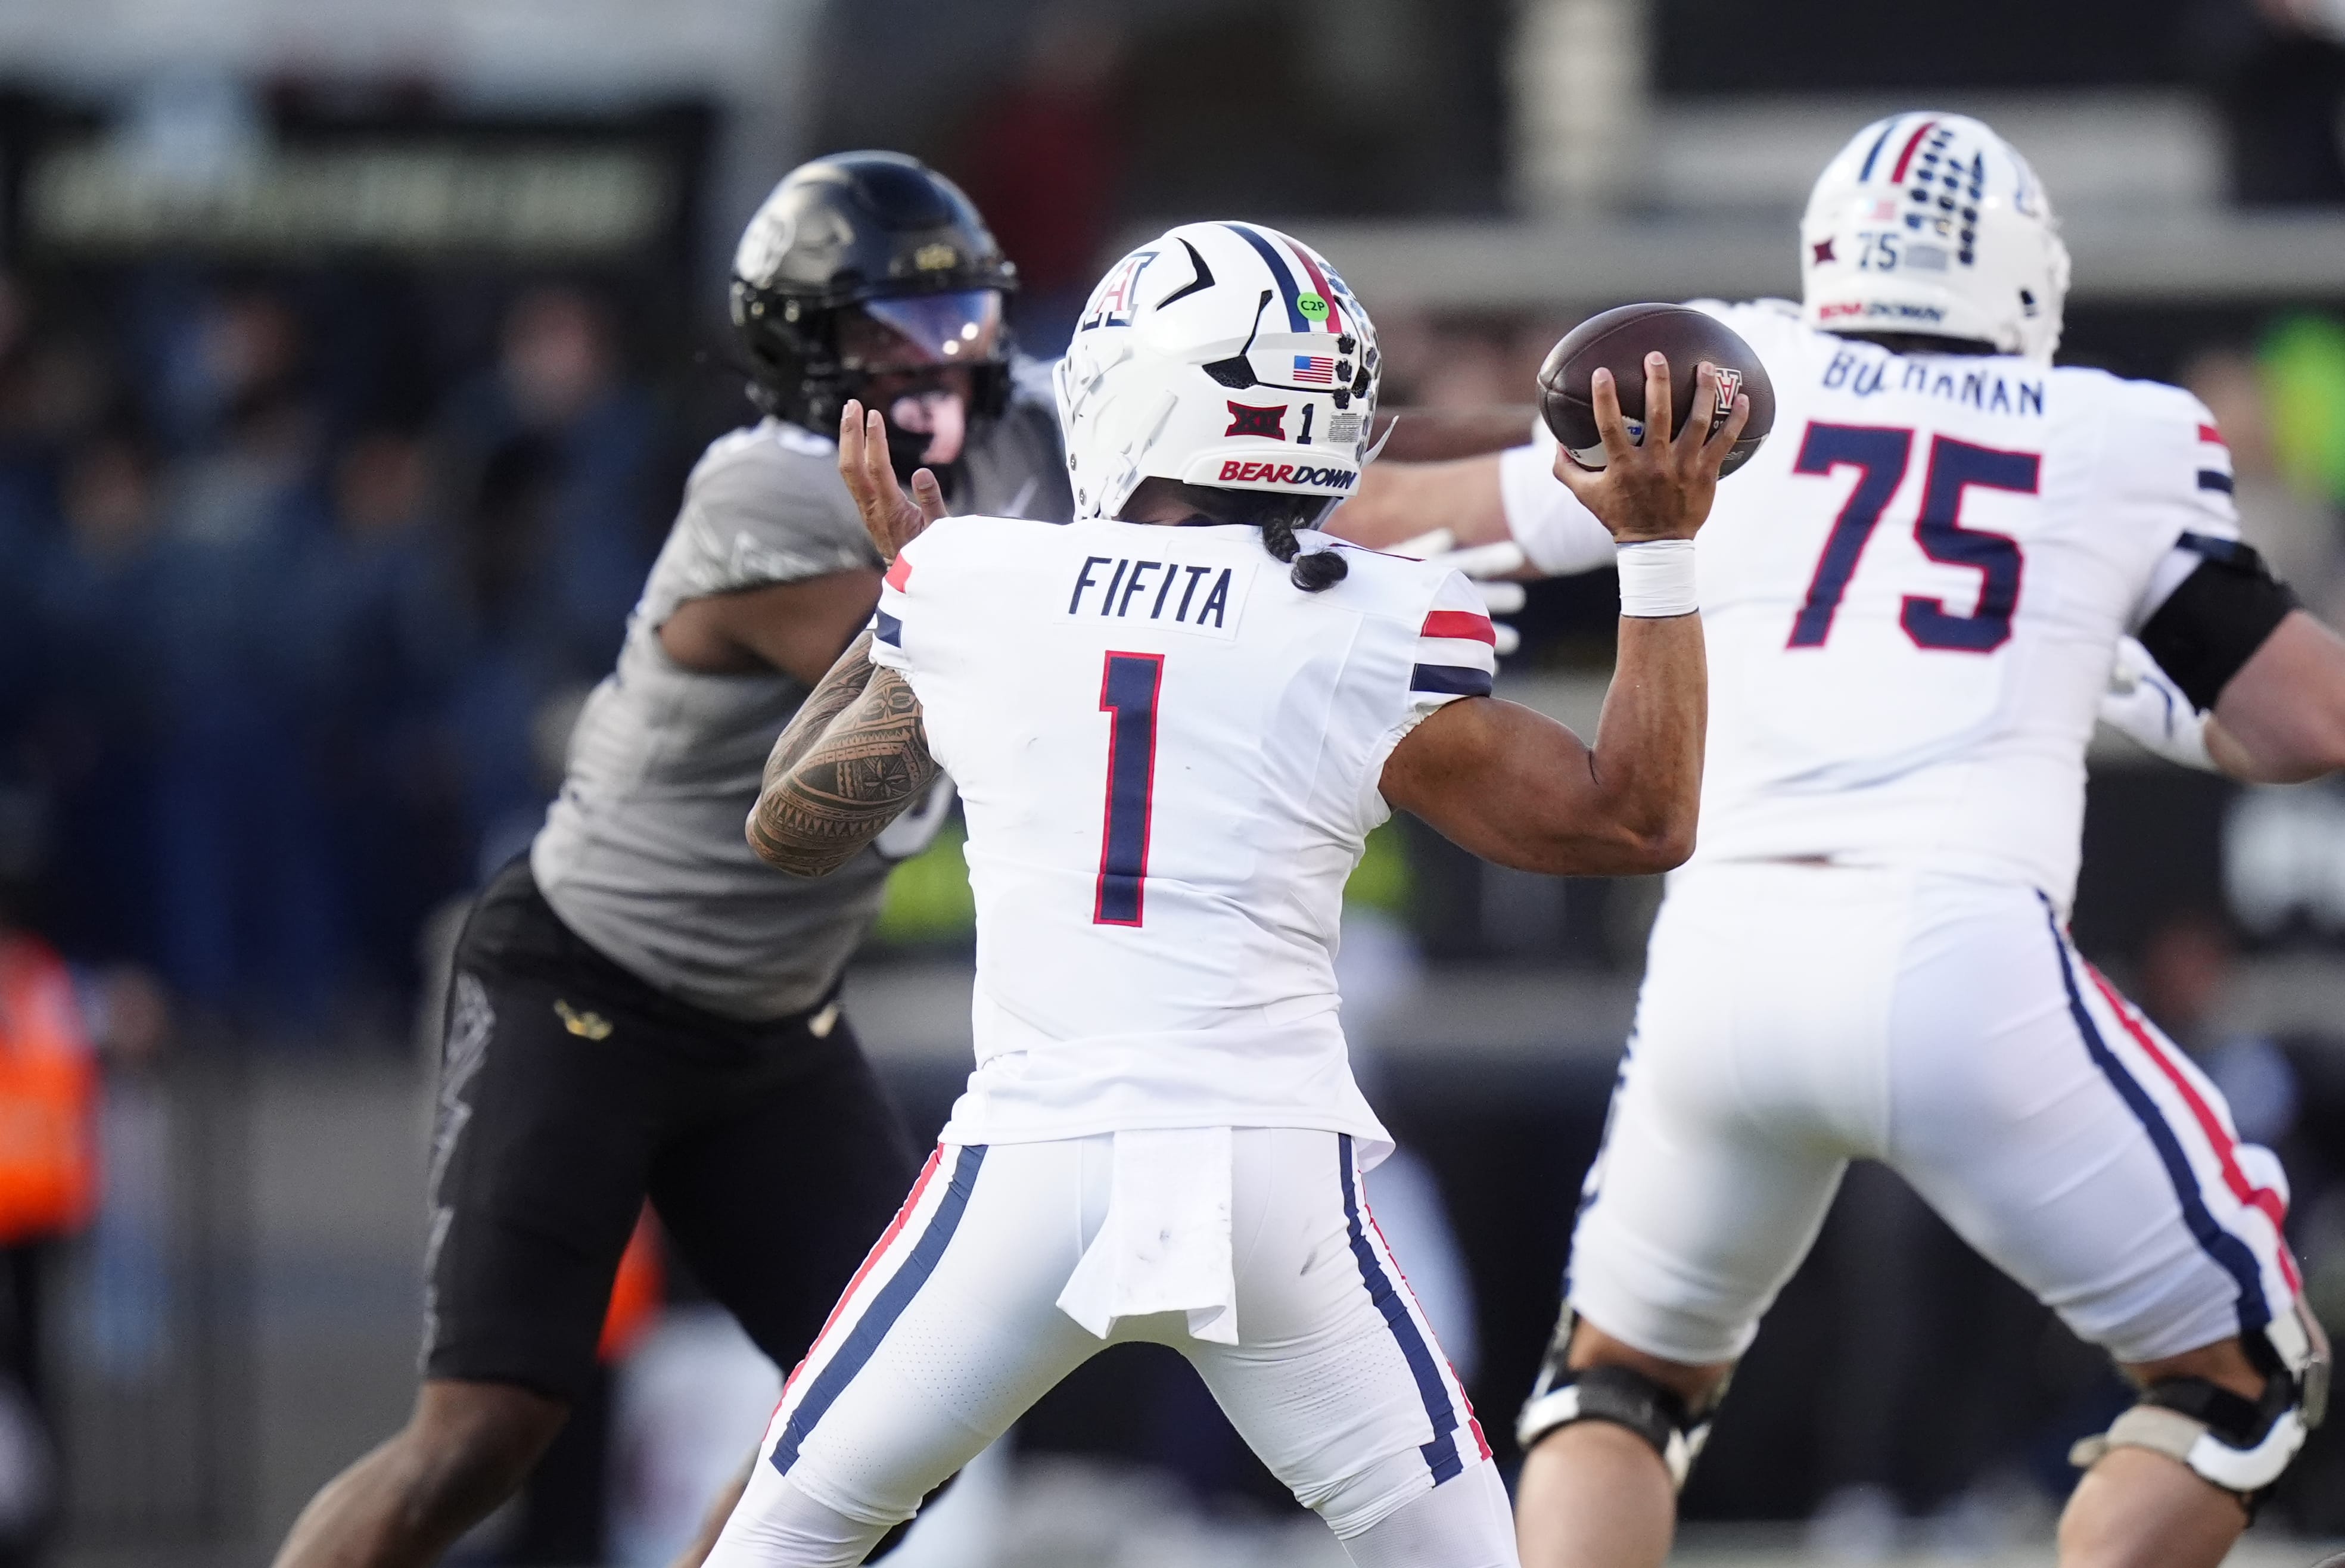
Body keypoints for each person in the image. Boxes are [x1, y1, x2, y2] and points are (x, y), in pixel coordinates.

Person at [1343, 113, 2345, 1568]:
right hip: (1965, 960)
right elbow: (2301, 719)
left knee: (1615, 1388)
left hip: (1723, 964)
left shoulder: (1743, 378)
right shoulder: (2117, 433)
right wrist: (2132, 667)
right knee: (2240, 1373)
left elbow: (1413, 508)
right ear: (2024, 274)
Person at [719, 219, 1747, 1568]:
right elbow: (1638, 816)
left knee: (778, 1543)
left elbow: (789, 828)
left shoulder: (978, 575)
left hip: (1027, 1166)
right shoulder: (1377, 616)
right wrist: (1660, 553)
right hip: (1269, 1180)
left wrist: (914, 610)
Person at [268, 151, 1069, 1568]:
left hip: (772, 1023)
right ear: (805, 347)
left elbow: (1338, 457)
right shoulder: (762, 492)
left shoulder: (1017, 439)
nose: (941, 359)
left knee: (902, 1409)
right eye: (894, 329)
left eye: (960, 322)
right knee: (484, 1432)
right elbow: (955, 666)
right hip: (589, 989)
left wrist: (1552, 465)